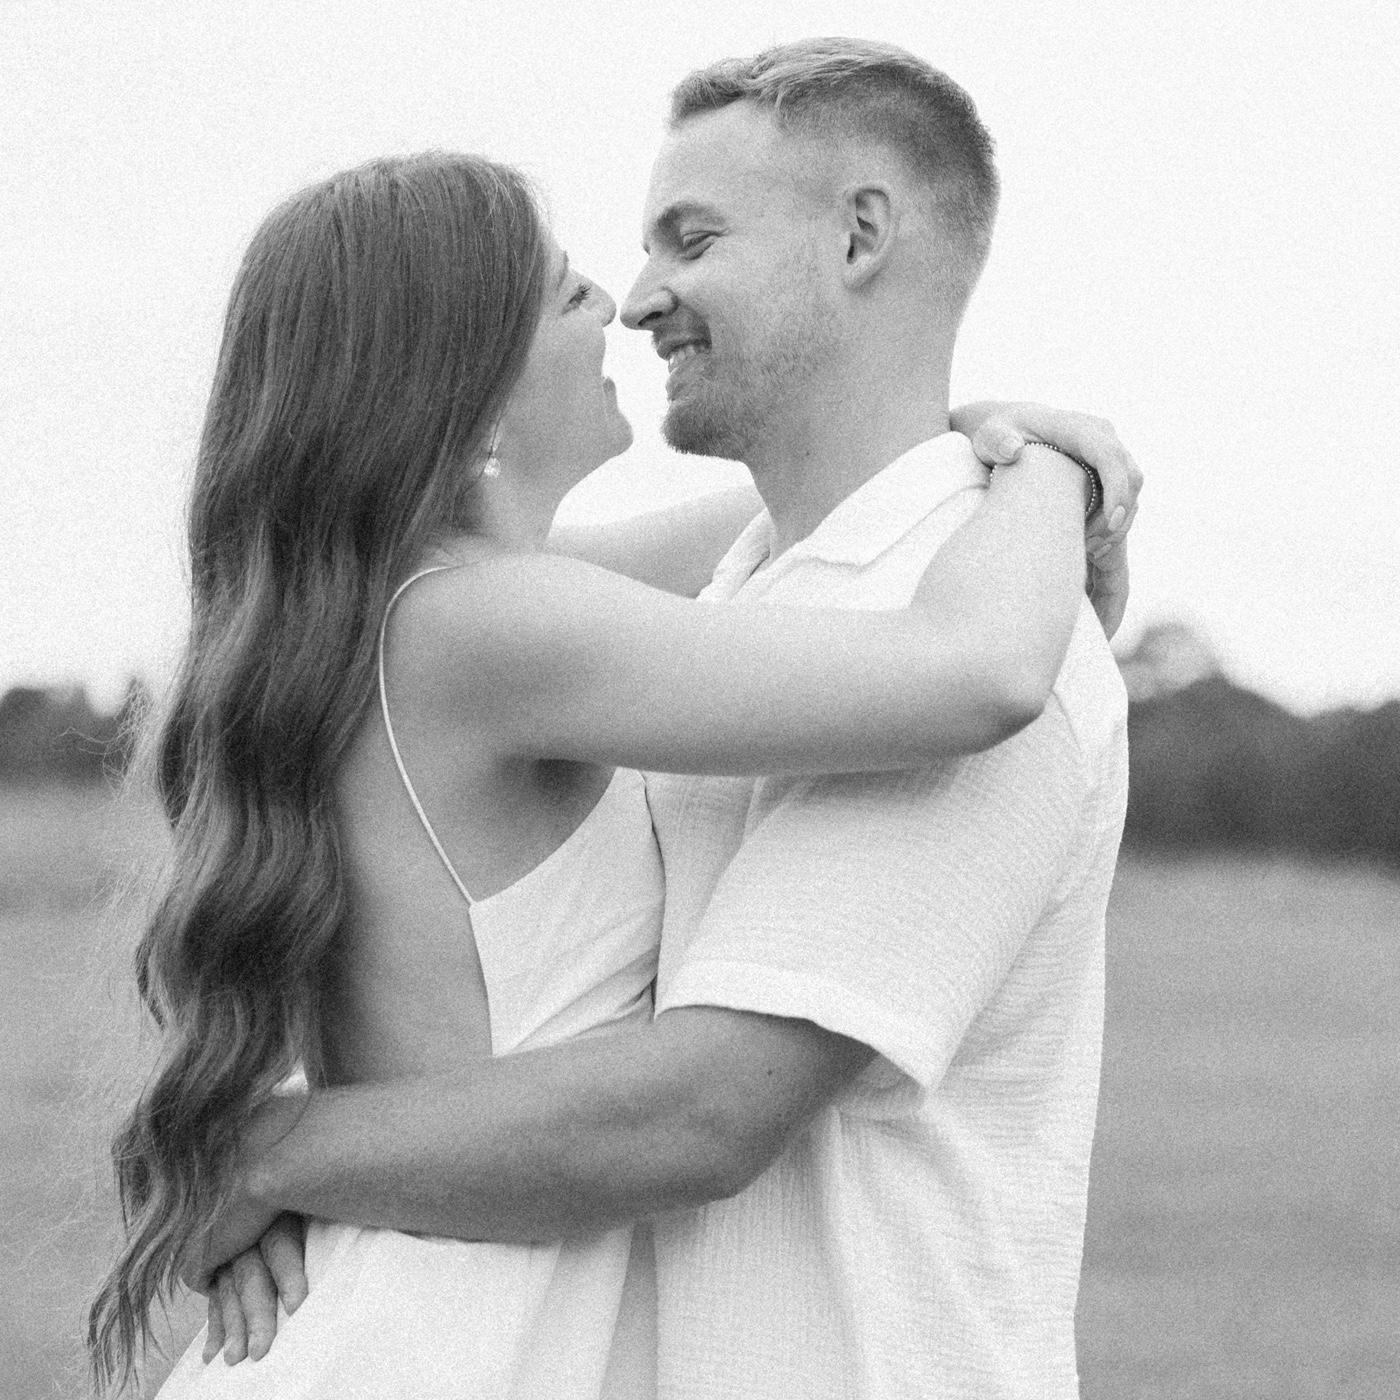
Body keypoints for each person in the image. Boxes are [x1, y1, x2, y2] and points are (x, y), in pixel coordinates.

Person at [86, 130, 1136, 1400]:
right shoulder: (492, 627)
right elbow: (974, 671)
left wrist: (970, 444)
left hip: (433, 1301)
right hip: (458, 1329)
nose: (616, 307)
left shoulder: (434, 608)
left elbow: (819, 509)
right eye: (562, 288)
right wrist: (1052, 476)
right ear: (463, 383)